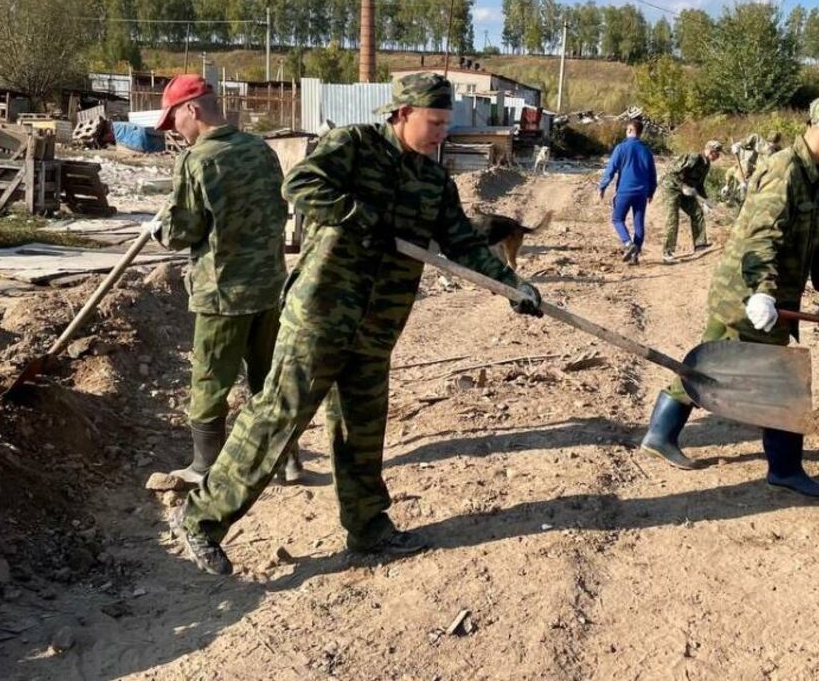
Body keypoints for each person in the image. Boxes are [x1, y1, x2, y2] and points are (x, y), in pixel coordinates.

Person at [169, 73, 544, 575]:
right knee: (279, 415)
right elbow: (299, 184)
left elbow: (465, 244)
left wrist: (511, 285)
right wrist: (355, 213)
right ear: (402, 114)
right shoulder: (353, 145)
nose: (439, 134)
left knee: (361, 429)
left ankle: (368, 528)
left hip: (377, 325)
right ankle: (200, 518)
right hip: (320, 314)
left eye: (444, 125)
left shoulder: (434, 182)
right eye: (433, 123)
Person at [640, 96, 819, 499]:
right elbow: (761, 238)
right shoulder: (785, 170)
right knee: (780, 380)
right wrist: (762, 293)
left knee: (713, 362)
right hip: (750, 297)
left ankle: (661, 434)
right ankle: (785, 469)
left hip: (764, 295)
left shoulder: (814, 173)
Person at [148, 75, 297, 487]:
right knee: (268, 378)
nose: (174, 131)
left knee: (210, 378)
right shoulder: (261, 149)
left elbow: (183, 232)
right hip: (269, 286)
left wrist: (159, 229)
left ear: (192, 109)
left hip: (223, 291)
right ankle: (286, 461)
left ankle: (203, 466)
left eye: (174, 120)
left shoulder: (198, 160)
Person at [597, 118, 657, 264]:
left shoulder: (621, 148)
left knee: (617, 219)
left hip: (625, 191)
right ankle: (635, 256)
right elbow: (652, 175)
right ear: (640, 133)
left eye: (627, 130)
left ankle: (628, 244)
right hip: (642, 192)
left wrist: (602, 187)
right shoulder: (647, 151)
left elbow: (611, 170)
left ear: (630, 130)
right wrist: (651, 192)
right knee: (639, 224)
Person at [659, 140, 721, 263]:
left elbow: (699, 184)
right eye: (716, 153)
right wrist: (683, 187)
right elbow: (672, 173)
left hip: (686, 189)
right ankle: (667, 252)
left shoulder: (706, 164)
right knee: (672, 218)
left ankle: (700, 244)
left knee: (697, 212)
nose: (718, 157)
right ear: (709, 151)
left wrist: (705, 200)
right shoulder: (694, 158)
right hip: (671, 188)